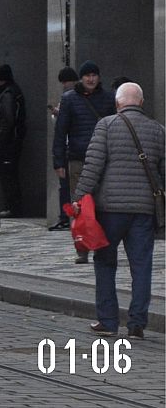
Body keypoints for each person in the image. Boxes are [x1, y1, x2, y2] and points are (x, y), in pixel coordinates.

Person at [71, 83, 163, 339]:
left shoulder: (107, 126)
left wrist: (79, 198)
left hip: (109, 209)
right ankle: (136, 324)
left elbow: (92, 166)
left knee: (105, 262)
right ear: (141, 103)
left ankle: (108, 321)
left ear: (117, 103)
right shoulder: (158, 130)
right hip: (144, 210)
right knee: (142, 266)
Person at [53, 60, 116, 262]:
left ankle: (101, 246)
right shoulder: (69, 99)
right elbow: (60, 132)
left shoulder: (108, 99)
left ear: (98, 77)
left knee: (103, 206)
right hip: (78, 159)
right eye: (87, 75)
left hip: (105, 160)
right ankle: (82, 248)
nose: (90, 79)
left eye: (94, 75)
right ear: (81, 78)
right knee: (79, 205)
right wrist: (59, 162)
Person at [0, 64, 27, 217]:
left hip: (8, 142)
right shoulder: (10, 92)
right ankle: (12, 206)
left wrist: (0, 140)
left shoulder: (9, 94)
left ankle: (13, 207)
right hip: (11, 141)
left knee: (8, 175)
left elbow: (7, 120)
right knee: (9, 175)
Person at [49, 67, 79, 230]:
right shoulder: (68, 98)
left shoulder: (72, 98)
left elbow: (64, 125)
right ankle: (66, 216)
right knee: (66, 185)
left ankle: (67, 217)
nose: (64, 85)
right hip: (70, 146)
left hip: (73, 146)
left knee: (67, 186)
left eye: (65, 82)